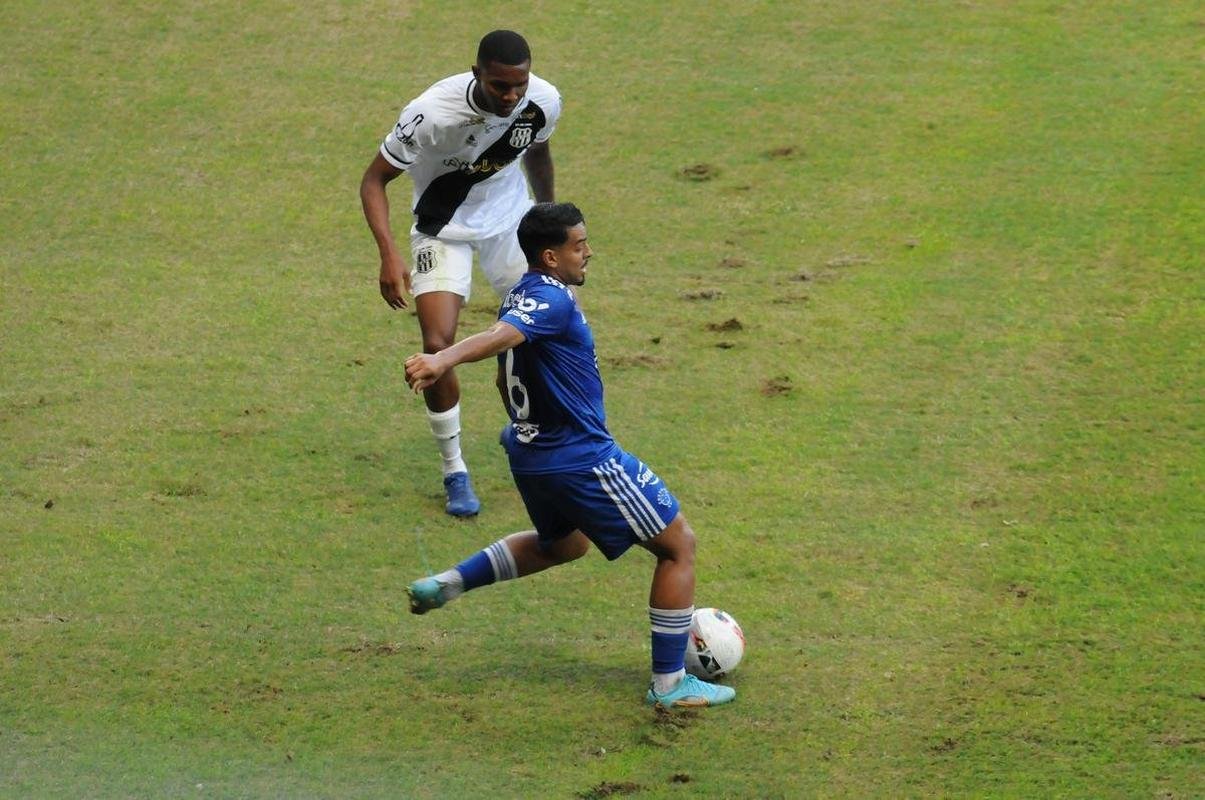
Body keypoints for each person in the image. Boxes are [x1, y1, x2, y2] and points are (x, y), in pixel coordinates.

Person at [402, 203, 736, 710]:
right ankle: (670, 685)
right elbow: (501, 341)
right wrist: (441, 358)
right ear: (552, 256)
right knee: (677, 546)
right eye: (580, 245)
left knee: (563, 544)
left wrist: (523, 427)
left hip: (531, 453)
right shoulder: (550, 302)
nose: (589, 253)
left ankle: (448, 584)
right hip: (580, 456)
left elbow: (505, 371)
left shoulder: (519, 295)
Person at [360, 29, 560, 517]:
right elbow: (373, 180)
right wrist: (388, 254)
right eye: (499, 86)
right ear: (478, 75)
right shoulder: (430, 113)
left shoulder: (544, 100)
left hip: (511, 224)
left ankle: (525, 433)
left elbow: (536, 151)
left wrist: (549, 219)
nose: (511, 96)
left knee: (537, 336)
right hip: (441, 229)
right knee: (437, 344)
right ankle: (455, 470)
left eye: (519, 85)